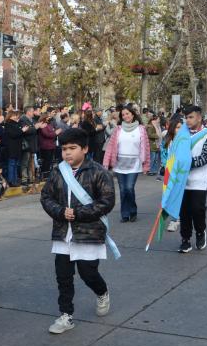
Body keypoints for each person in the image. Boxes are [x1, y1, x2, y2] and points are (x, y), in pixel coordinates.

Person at [40, 128, 114, 334]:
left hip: (88, 233)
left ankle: (102, 292)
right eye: (64, 149)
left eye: (72, 148)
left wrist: (79, 213)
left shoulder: (98, 172)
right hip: (63, 233)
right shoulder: (57, 171)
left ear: (85, 149)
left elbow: (107, 201)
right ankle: (66, 315)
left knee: (88, 273)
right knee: (63, 276)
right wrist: (61, 212)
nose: (68, 153)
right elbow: (46, 197)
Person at [178, 105, 207, 253]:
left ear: (199, 117)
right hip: (181, 180)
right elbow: (173, 153)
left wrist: (185, 163)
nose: (188, 120)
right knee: (184, 211)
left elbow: (206, 157)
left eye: (191, 117)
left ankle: (200, 232)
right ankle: (185, 239)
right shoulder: (181, 134)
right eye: (186, 117)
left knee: (197, 209)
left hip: (200, 179)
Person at [102, 105, 149, 222]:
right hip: (119, 165)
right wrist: (106, 163)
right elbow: (110, 147)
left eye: (127, 114)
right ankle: (125, 214)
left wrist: (146, 165)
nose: (125, 116)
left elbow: (146, 148)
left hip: (134, 165)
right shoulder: (118, 129)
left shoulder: (141, 129)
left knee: (129, 188)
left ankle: (133, 211)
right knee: (122, 190)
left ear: (132, 114)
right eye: (123, 115)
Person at [3, 109, 25, 187]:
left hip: (16, 147)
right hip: (11, 147)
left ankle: (15, 180)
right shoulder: (8, 124)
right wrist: (22, 131)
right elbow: (13, 134)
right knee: (12, 164)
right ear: (10, 116)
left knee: (15, 164)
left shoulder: (16, 124)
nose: (16, 117)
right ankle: (11, 180)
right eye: (15, 115)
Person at [20, 106, 40, 186]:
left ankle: (31, 178)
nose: (33, 113)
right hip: (27, 144)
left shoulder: (32, 120)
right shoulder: (23, 119)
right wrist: (35, 127)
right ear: (28, 112)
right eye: (32, 111)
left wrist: (37, 127)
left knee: (30, 162)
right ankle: (24, 179)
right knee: (25, 162)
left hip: (32, 144)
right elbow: (26, 131)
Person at [37, 111, 57, 178]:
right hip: (45, 146)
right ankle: (44, 174)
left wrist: (54, 133)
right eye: (48, 117)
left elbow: (52, 132)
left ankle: (48, 173)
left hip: (51, 145)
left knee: (50, 160)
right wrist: (55, 133)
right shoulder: (42, 125)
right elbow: (46, 134)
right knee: (46, 161)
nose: (49, 118)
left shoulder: (49, 124)